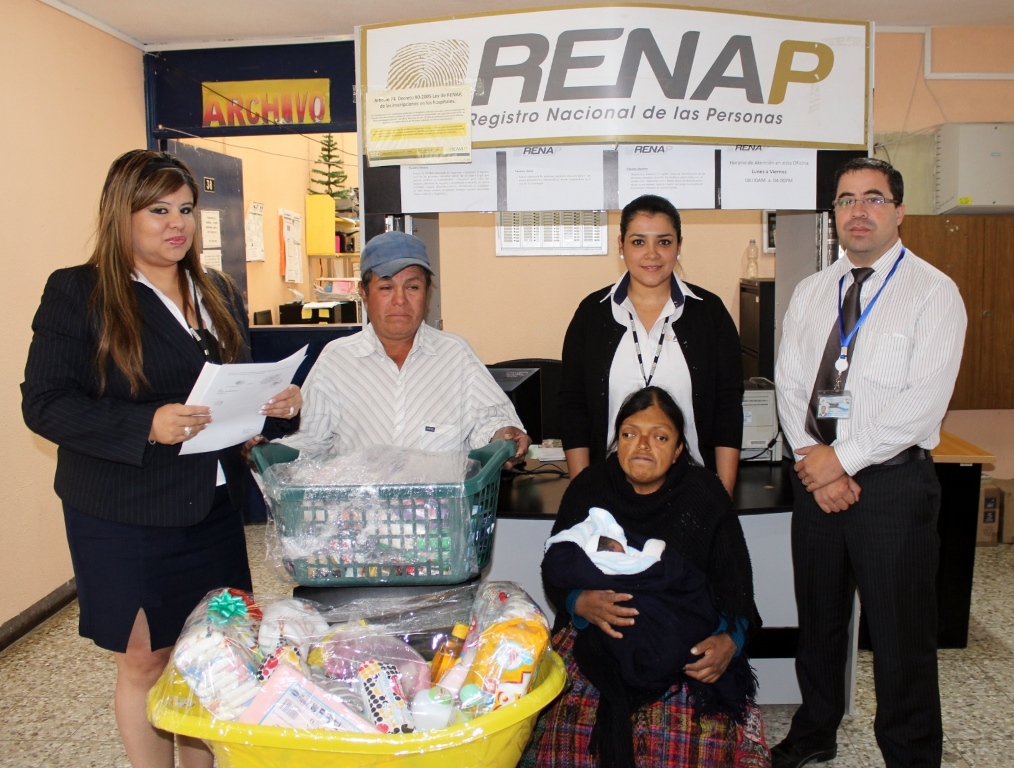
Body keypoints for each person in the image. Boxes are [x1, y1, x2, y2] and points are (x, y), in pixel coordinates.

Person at [21, 149, 302, 768]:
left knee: (209, 654)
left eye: (185, 209)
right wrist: (144, 423)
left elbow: (232, 385)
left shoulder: (217, 291)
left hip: (212, 506)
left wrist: (274, 407)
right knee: (146, 660)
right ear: (121, 213)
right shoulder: (79, 291)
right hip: (126, 509)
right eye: (158, 211)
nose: (177, 224)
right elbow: (43, 404)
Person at [772, 158, 966, 768]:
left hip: (892, 488)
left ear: (899, 210)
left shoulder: (933, 292)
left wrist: (842, 462)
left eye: (874, 198)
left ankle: (910, 755)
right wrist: (813, 460)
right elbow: (789, 382)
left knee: (901, 636)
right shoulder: (810, 291)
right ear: (834, 213)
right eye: (846, 199)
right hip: (817, 485)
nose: (858, 211)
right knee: (820, 623)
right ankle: (815, 732)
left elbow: (922, 402)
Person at [522, 386, 768, 768]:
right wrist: (578, 602)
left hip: (684, 636)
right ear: (616, 441)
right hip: (597, 636)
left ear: (678, 450)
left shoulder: (704, 493)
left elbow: (735, 585)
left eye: (660, 436)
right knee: (563, 740)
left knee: (680, 745)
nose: (642, 446)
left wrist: (729, 642)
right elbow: (556, 566)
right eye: (629, 433)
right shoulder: (589, 487)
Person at [274, 229, 531, 460]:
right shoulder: (337, 360)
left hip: (439, 510)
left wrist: (504, 434)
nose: (400, 300)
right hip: (360, 511)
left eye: (412, 287)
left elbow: (492, 422)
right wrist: (267, 447)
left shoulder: (455, 355)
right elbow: (310, 440)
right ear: (364, 293)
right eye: (386, 287)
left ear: (427, 293)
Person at [559, 194, 743, 495]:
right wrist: (581, 492)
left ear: (679, 246)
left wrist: (723, 495)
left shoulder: (709, 313)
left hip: (693, 487)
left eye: (664, 242)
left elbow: (728, 407)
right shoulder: (592, 314)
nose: (652, 254)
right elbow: (573, 407)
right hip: (609, 487)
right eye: (638, 242)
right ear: (621, 246)